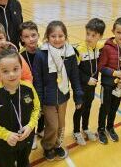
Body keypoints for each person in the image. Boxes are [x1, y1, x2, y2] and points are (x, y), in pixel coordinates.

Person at [33, 21, 83, 161]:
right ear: (47, 37)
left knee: (61, 125)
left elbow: (74, 76)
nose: (57, 39)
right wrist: (40, 101)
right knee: (52, 125)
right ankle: (48, 146)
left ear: (65, 37)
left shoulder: (70, 53)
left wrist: (78, 96)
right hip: (47, 99)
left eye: (60, 36)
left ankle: (57, 145)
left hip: (63, 96)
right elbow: (38, 81)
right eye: (53, 36)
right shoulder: (41, 54)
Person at [0, 48, 40, 167]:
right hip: (5, 143)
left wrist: (30, 126)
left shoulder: (29, 88)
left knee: (24, 162)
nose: (12, 74)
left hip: (26, 138)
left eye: (15, 69)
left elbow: (36, 109)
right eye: (5, 71)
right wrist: (6, 135)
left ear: (21, 68)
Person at [97, 17, 121, 144]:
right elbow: (100, 67)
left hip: (120, 86)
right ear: (113, 31)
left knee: (114, 108)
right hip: (107, 85)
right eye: (119, 32)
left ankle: (110, 127)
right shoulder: (107, 48)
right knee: (105, 107)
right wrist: (114, 73)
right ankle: (101, 129)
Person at [72, 18, 105, 145]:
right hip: (80, 87)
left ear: (100, 36)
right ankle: (76, 131)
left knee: (88, 108)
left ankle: (85, 128)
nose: (89, 38)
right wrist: (86, 79)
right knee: (79, 108)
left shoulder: (100, 48)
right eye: (87, 34)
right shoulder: (79, 50)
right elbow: (74, 71)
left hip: (92, 87)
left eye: (93, 35)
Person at [19, 20, 44, 150]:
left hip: (42, 89)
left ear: (38, 35)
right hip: (28, 92)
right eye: (26, 37)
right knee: (31, 114)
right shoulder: (20, 56)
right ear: (22, 39)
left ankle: (40, 130)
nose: (31, 39)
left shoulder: (43, 52)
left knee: (43, 111)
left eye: (33, 35)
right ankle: (32, 135)